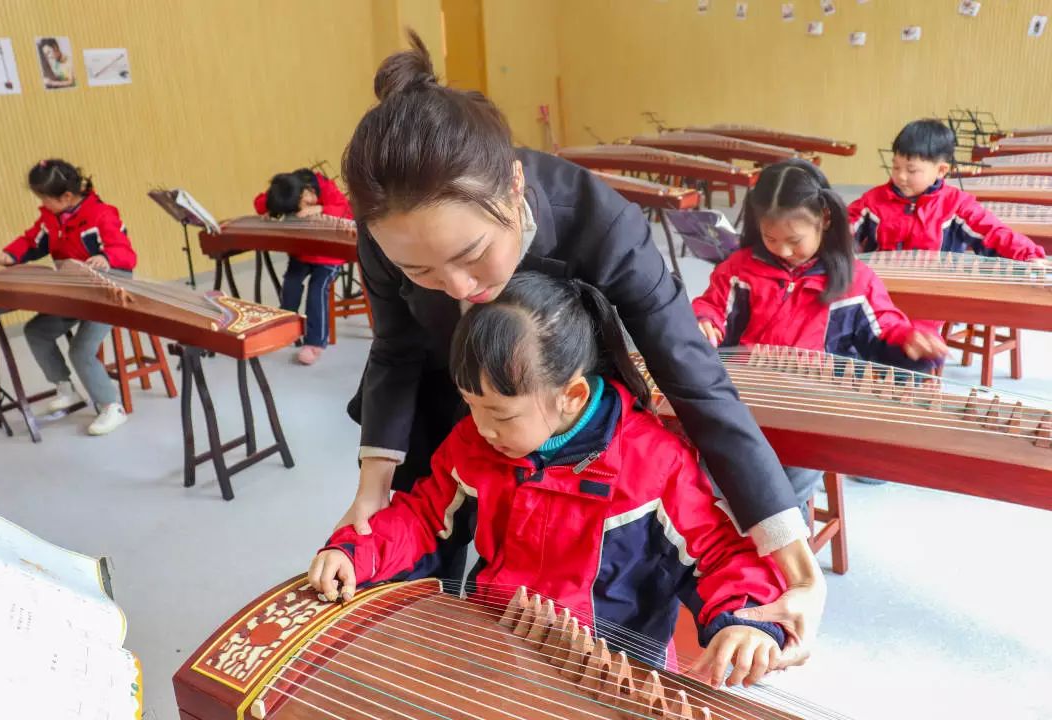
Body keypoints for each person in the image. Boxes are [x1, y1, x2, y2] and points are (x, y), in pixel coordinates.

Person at [337, 30, 824, 666]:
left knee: (600, 561)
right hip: (451, 392)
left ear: (514, 187)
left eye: (471, 255)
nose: (459, 290)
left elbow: (692, 374)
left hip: (555, 390)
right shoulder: (386, 232)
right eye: (422, 273)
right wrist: (373, 485)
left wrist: (792, 556)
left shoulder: (601, 220)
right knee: (421, 553)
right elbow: (396, 351)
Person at [311, 272, 788, 688]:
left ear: (572, 396)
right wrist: (357, 551)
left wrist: (743, 621)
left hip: (611, 672)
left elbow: (719, 553)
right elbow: (422, 516)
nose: (480, 426)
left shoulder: (654, 464)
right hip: (498, 645)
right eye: (470, 405)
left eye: (499, 412)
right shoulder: (477, 442)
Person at [693, 159, 948, 504]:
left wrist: (909, 339)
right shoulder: (738, 270)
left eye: (794, 240)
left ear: (825, 219)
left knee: (786, 490)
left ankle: (786, 546)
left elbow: (886, 326)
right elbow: (712, 306)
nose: (782, 250)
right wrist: (704, 320)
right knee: (712, 472)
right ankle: (725, 540)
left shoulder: (856, 281)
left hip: (810, 408)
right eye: (770, 238)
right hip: (744, 396)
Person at [0, 159, 136, 436]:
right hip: (74, 288)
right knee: (36, 331)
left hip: (109, 290)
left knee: (81, 349)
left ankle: (111, 406)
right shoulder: (51, 217)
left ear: (67, 196)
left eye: (45, 199)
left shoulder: (102, 214)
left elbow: (125, 252)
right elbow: (33, 241)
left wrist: (106, 258)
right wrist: (11, 254)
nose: (43, 205)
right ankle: (65, 388)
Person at [849, 119, 1046, 263]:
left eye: (911, 170)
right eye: (896, 167)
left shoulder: (956, 205)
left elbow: (992, 232)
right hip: (882, 290)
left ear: (941, 170)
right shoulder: (873, 201)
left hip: (932, 293)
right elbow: (843, 227)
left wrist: (1029, 254)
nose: (900, 176)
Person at [254, 169, 353, 365]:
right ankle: (285, 328)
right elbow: (259, 202)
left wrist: (319, 209)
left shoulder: (324, 186)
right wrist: (270, 210)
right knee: (291, 282)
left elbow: (346, 210)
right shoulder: (286, 189)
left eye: (307, 202)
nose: (304, 208)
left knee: (317, 289)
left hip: (329, 254)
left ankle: (314, 343)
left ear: (307, 190)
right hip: (302, 251)